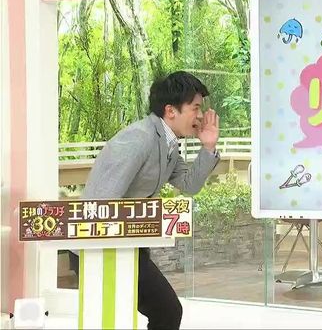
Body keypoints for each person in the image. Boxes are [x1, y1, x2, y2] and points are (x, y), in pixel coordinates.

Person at [69, 71, 221, 329]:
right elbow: (102, 200)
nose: (200, 116)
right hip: (98, 249)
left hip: (127, 247)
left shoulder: (168, 143)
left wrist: (208, 147)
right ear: (171, 110)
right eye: (195, 108)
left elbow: (189, 184)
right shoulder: (139, 138)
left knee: (166, 311)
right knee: (157, 312)